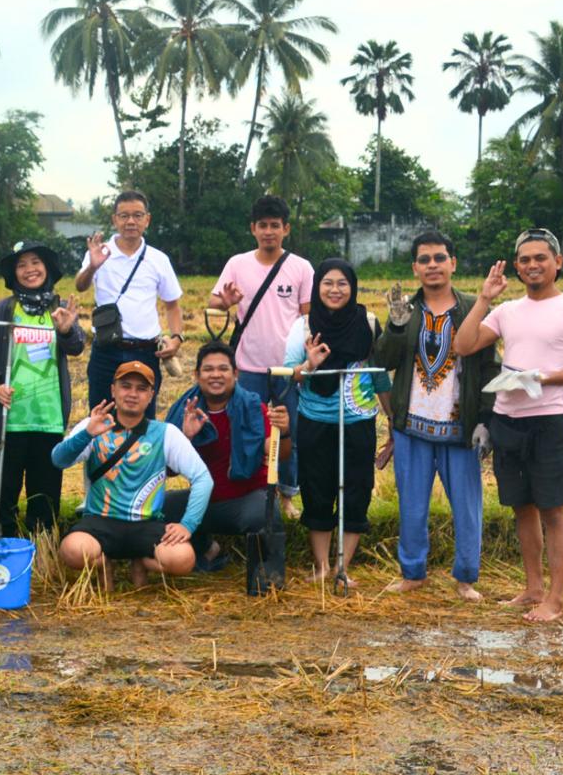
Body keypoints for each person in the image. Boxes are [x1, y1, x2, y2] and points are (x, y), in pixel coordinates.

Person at [452, 227, 563, 624]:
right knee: (522, 508)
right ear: (516, 268)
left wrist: (543, 378)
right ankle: (533, 588)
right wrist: (485, 298)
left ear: (558, 262)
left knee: (552, 510)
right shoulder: (506, 311)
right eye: (525, 260)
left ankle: (555, 599)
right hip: (507, 420)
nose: (533, 265)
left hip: (548, 420)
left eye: (541, 258)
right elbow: (464, 346)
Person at [375, 230, 500, 603]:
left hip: (459, 426)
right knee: (411, 506)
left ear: (453, 263)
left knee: (467, 506)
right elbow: (382, 362)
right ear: (415, 268)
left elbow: (490, 369)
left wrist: (486, 420)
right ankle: (412, 573)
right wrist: (396, 326)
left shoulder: (473, 309)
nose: (433, 265)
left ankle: (465, 578)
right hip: (411, 425)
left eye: (439, 258)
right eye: (425, 259)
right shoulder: (405, 310)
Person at [51, 361, 213, 587]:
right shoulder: (94, 425)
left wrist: (188, 524)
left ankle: (142, 562)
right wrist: (86, 435)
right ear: (113, 390)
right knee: (71, 551)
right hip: (99, 522)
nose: (132, 394)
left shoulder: (165, 433)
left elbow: (203, 478)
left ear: (150, 395)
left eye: (141, 389)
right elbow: (58, 460)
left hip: (146, 523)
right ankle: (103, 563)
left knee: (183, 559)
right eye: (126, 386)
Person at [283, 258, 392, 588]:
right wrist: (310, 363)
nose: (335, 289)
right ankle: (321, 566)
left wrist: (392, 421)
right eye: (327, 283)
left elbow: (380, 377)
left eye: (342, 283)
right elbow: (291, 374)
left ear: (353, 287)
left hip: (358, 420)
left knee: (357, 490)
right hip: (315, 421)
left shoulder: (369, 323)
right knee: (317, 489)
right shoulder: (302, 326)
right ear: (317, 287)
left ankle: (344, 566)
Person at [0, 240, 84, 538]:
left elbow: (77, 347)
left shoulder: (58, 310)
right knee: (3, 496)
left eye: (35, 263)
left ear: (47, 268)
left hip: (48, 418)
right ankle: (3, 549)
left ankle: (42, 555)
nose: (30, 270)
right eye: (21, 265)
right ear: (13, 273)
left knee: (44, 499)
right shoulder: (3, 310)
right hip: (10, 420)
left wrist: (67, 330)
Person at [208, 193, 313, 519]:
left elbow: (308, 318)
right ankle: (251, 492)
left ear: (286, 229)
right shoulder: (237, 264)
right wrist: (224, 303)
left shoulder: (301, 268)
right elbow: (213, 305)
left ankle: (287, 495)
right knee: (248, 431)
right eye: (263, 226)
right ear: (253, 229)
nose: (269, 232)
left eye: (275, 226)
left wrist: (303, 364)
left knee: (287, 435)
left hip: (287, 370)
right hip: (247, 366)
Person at [161, 342, 290, 586]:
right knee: (160, 506)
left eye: (223, 369)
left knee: (264, 511)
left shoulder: (254, 409)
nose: (216, 375)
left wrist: (283, 432)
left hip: (245, 498)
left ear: (236, 374)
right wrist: (185, 437)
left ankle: (266, 578)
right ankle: (207, 550)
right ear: (197, 376)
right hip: (203, 501)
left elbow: (278, 455)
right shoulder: (186, 412)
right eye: (208, 370)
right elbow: (167, 470)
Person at [75, 190, 184, 413]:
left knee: (142, 420)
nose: (131, 221)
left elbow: (172, 304)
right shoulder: (100, 252)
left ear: (147, 219)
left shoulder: (158, 259)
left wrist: (177, 338)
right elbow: (80, 285)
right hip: (106, 350)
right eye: (124, 216)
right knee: (101, 416)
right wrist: (93, 266)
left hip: (146, 351)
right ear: (114, 219)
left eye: (137, 215)